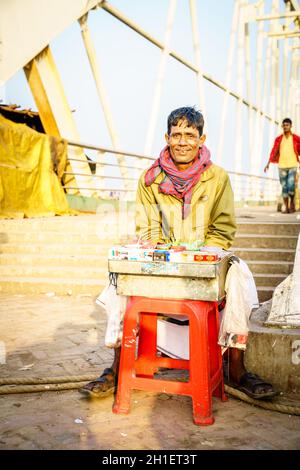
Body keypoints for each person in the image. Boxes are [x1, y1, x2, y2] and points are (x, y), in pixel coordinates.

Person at [80, 107, 276, 400]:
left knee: (239, 275)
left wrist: (199, 254)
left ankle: (236, 368)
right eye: (177, 135)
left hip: (203, 257)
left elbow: (222, 229)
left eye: (190, 135)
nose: (183, 141)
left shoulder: (218, 177)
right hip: (164, 259)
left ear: (201, 139)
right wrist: (164, 253)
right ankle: (116, 367)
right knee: (117, 279)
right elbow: (147, 229)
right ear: (167, 137)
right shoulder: (150, 179)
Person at [264, 118, 300, 213]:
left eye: (287, 125)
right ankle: (286, 207)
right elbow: (274, 150)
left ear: (291, 126)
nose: (285, 127)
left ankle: (292, 203)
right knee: (284, 187)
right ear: (282, 126)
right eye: (284, 125)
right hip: (282, 166)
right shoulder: (279, 139)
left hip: (293, 165)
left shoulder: (296, 138)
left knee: (291, 186)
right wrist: (268, 163)